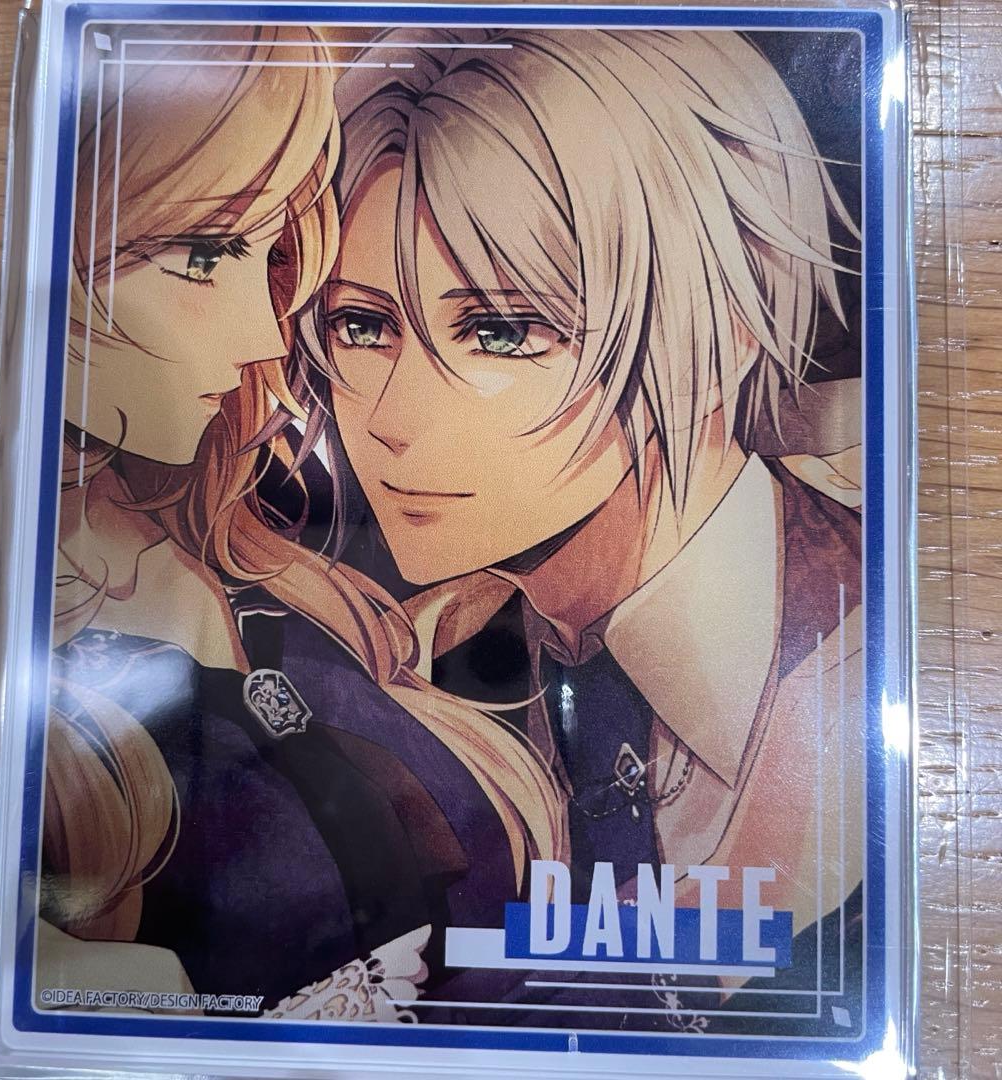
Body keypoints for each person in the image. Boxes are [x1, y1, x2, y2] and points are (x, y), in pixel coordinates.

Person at [291, 26, 864, 1032]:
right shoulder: (398, 671)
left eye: (500, 331)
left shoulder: (875, 640)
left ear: (723, 330)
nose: (392, 419)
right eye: (363, 326)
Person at [39, 23, 563, 1020]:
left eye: (269, 253)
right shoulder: (8, 658)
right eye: (202, 253)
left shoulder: (282, 574)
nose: (262, 335)